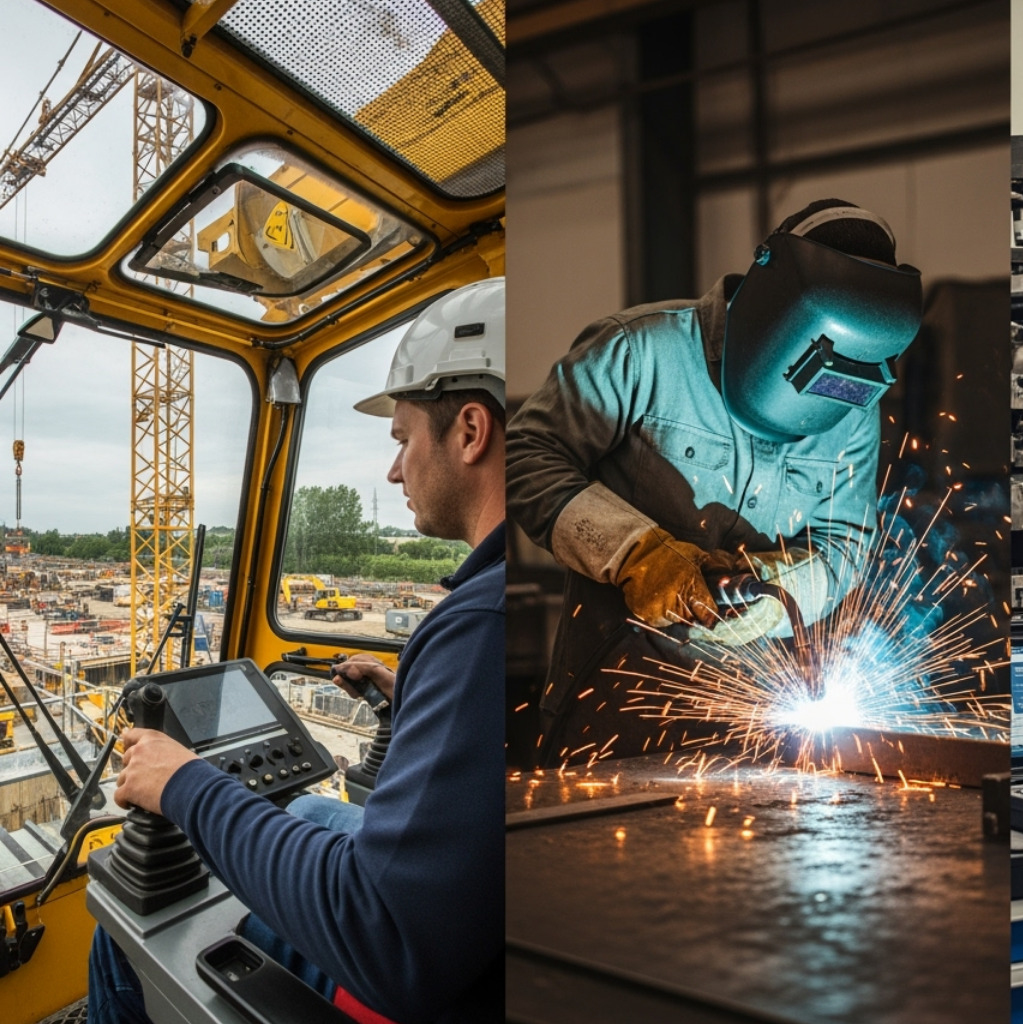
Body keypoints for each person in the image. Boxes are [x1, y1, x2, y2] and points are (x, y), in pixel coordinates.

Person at [89, 277, 507, 1024]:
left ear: (470, 431)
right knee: (312, 815)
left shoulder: (484, 617)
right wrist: (412, 694)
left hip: (429, 978)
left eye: (402, 439)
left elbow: (385, 939)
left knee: (120, 933)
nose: (392, 469)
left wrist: (184, 784)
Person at [507, 200, 923, 765]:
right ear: (770, 293)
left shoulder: (853, 404)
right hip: (613, 708)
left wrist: (776, 592)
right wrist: (636, 554)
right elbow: (527, 454)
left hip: (755, 722)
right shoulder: (640, 350)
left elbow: (845, 544)